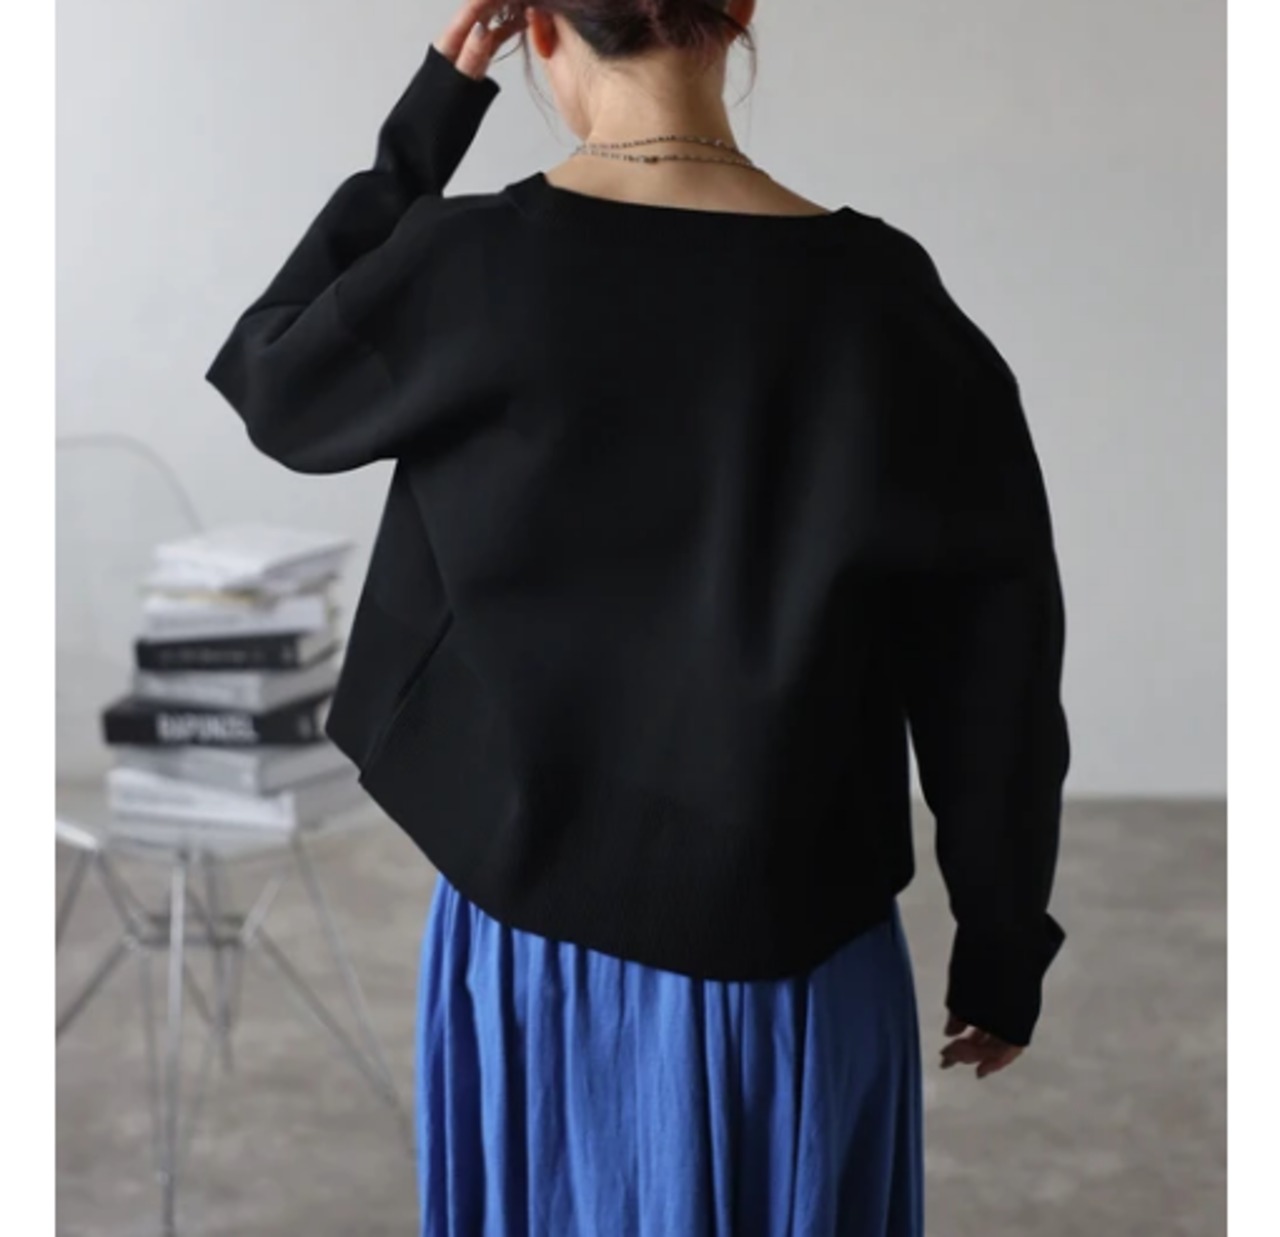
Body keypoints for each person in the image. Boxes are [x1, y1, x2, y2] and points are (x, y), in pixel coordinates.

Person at [205, 1, 1071, 1233]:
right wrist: (998, 936)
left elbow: (272, 376)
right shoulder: (887, 301)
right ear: (741, 12)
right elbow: (992, 655)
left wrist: (428, 123)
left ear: (535, 25)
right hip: (803, 952)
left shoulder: (470, 265)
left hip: (532, 938)